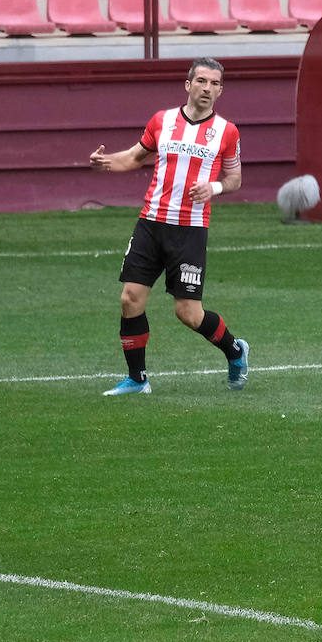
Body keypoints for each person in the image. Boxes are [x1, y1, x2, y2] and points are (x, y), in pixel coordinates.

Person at [90, 57, 248, 395]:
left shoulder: (227, 132)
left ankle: (235, 349)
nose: (208, 88)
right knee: (130, 298)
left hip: (190, 229)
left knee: (188, 313)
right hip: (151, 222)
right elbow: (134, 157)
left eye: (215, 83)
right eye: (202, 81)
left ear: (221, 90)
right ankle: (137, 379)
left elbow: (234, 178)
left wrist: (214, 188)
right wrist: (106, 162)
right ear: (188, 84)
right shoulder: (162, 121)